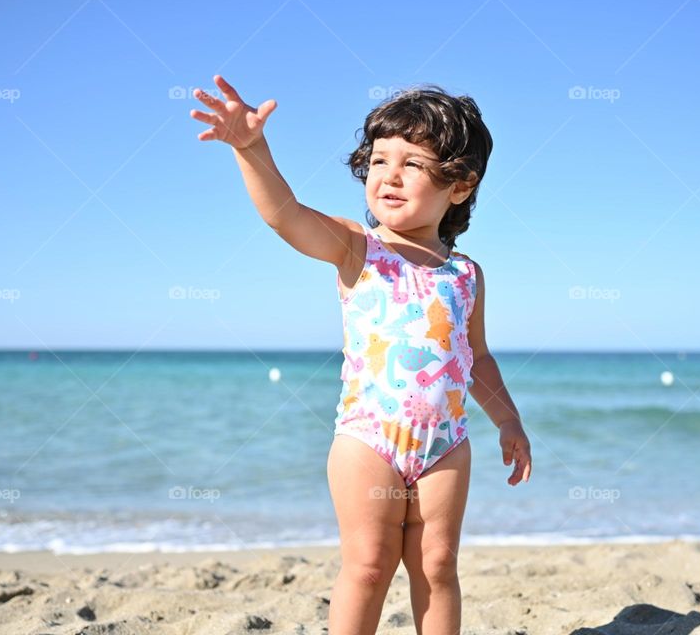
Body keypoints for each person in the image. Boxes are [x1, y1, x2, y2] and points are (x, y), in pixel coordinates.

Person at [190, 75, 532, 635]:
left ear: (460, 186)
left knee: (438, 566)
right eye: (378, 161)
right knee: (369, 566)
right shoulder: (357, 248)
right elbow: (285, 215)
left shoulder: (466, 274)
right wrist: (251, 148)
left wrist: (509, 418)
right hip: (367, 438)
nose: (389, 176)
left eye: (412, 164)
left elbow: (476, 356)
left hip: (446, 444)